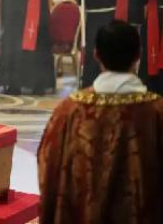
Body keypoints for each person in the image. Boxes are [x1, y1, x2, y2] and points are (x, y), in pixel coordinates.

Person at [38, 20, 163, 224]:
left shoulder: (69, 112)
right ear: (138, 55)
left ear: (96, 55)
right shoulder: (157, 112)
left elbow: (48, 167)